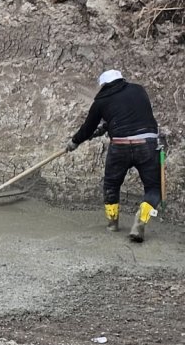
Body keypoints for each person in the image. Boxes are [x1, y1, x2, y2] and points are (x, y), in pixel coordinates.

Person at [67, 70, 161, 242]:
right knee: (154, 188)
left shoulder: (100, 101)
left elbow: (88, 128)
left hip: (120, 146)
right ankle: (141, 219)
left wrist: (74, 142)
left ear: (103, 85)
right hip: (147, 144)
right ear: (121, 79)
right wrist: (106, 126)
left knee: (111, 184)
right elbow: (134, 114)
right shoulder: (139, 90)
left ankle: (112, 224)